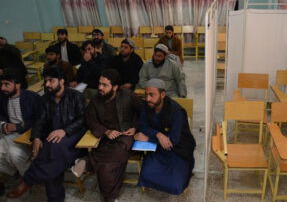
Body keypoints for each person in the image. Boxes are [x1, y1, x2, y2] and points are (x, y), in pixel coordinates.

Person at [6, 67, 86, 201]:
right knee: (53, 157)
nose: (47, 84)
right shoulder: (45, 98)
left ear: (61, 81)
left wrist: (64, 130)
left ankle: (28, 180)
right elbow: (39, 121)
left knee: (51, 149)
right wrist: (36, 137)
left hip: (73, 136)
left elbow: (83, 119)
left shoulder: (75, 96)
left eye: (51, 81)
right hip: (53, 141)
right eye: (46, 81)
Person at [72, 69, 141, 202]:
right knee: (106, 167)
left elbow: (143, 113)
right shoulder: (96, 99)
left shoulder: (128, 95)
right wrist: (105, 131)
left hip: (125, 136)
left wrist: (135, 127)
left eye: (104, 85)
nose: (100, 88)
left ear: (115, 87)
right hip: (106, 138)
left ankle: (88, 161)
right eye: (99, 84)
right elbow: (90, 119)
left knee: (117, 151)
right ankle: (110, 198)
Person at [134, 79, 196, 195]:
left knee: (175, 185)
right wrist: (157, 134)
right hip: (158, 148)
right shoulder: (147, 106)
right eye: (146, 95)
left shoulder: (177, 111)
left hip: (178, 150)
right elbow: (142, 125)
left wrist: (148, 138)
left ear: (162, 95)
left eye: (152, 95)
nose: (148, 99)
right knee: (146, 175)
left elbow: (173, 140)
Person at [0, 69, 43, 196]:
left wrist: (17, 126)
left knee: (15, 154)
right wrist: (4, 125)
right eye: (1, 84)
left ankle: (29, 179)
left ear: (17, 85)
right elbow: (1, 116)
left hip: (28, 134)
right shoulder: (2, 98)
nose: (3, 87)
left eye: (7, 84)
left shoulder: (32, 98)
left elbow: (40, 119)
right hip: (9, 134)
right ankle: (14, 172)